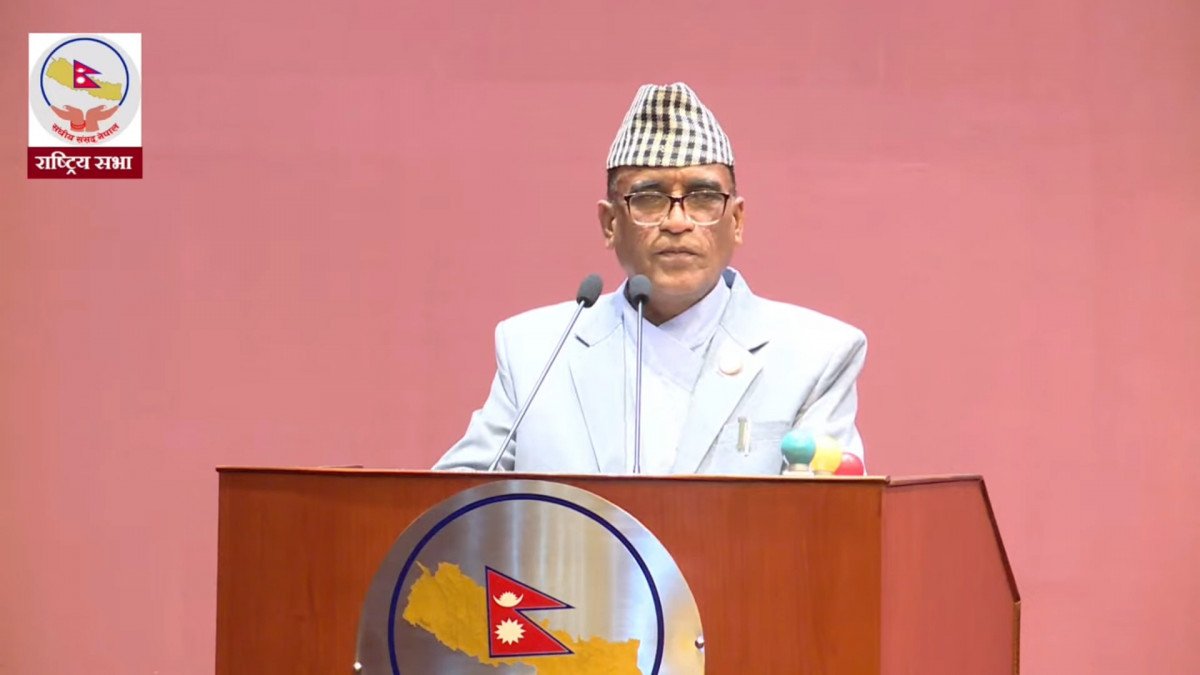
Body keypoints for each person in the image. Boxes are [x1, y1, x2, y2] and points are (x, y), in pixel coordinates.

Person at [434, 82, 866, 475]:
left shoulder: (814, 354)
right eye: (649, 199)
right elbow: (451, 502)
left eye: (703, 198)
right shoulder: (536, 352)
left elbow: (830, 516)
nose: (677, 222)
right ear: (610, 224)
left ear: (736, 221)